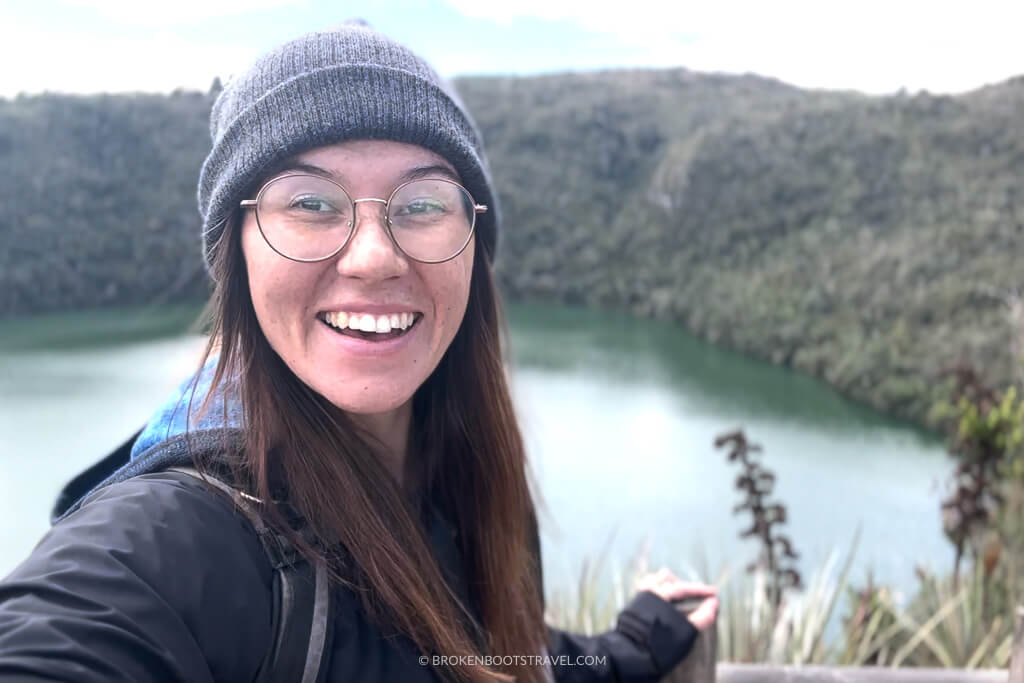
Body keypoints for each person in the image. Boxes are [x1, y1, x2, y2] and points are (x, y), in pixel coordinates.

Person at [0, 21, 718, 683]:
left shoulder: (458, 473)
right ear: (240, 251)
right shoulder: (185, 536)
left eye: (422, 204)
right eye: (310, 203)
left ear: (471, 245)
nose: (374, 257)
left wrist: (631, 647)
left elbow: (489, 651)